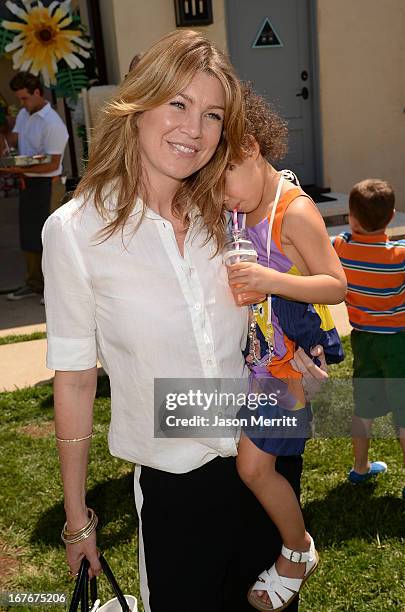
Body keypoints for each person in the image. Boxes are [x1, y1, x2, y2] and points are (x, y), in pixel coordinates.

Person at [42, 30, 329, 612]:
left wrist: (303, 352)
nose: (195, 131)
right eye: (178, 103)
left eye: (213, 114)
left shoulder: (229, 212)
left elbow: (288, 295)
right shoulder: (75, 232)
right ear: (138, 105)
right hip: (177, 484)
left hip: (265, 461)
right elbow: (74, 378)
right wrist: (77, 516)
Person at [222, 86, 347, 610]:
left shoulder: (292, 213)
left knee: (253, 469)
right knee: (247, 468)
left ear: (250, 147)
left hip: (288, 371)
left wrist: (273, 282)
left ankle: (298, 550)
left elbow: (335, 285)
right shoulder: (239, 205)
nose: (221, 197)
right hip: (259, 363)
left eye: (222, 181)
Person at [332, 179, 405, 499]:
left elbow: (340, 242)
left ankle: (360, 468)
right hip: (397, 343)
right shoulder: (400, 256)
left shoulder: (341, 248)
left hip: (363, 340)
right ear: (391, 217)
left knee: (364, 407)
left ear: (351, 216)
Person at [0, 72, 69, 301]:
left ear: (37, 93)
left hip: (47, 184)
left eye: (24, 98)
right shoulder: (23, 113)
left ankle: (53, 290)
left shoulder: (53, 123)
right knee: (28, 235)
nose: (22, 103)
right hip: (27, 180)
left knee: (48, 237)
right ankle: (33, 283)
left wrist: (18, 169)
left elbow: (53, 163)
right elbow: (13, 141)